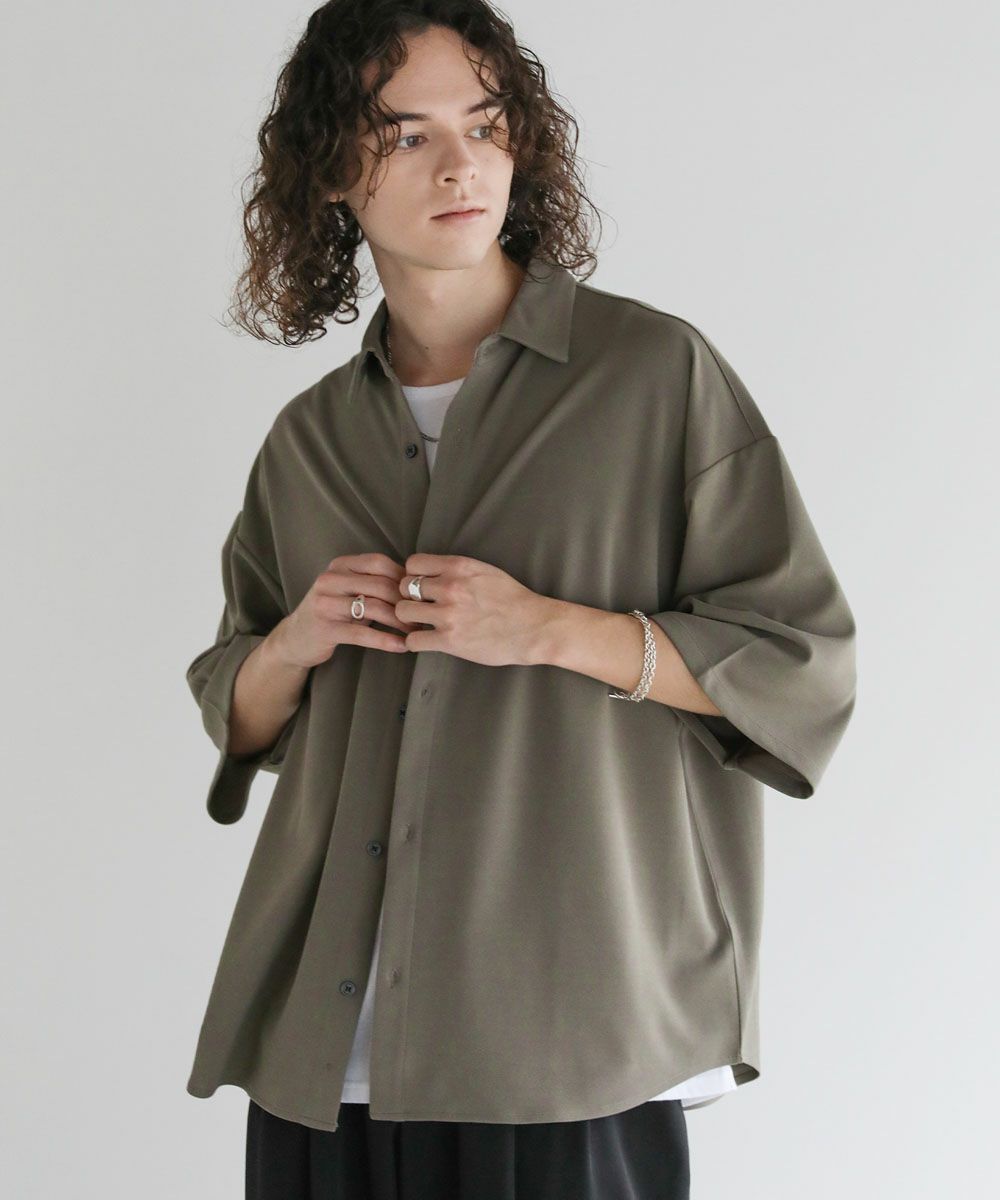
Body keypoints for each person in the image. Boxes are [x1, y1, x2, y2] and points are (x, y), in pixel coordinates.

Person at [183, 3, 858, 1198]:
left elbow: (798, 664)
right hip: (326, 1049)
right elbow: (239, 714)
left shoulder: (653, 376)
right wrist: (297, 639)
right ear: (330, 171)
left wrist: (549, 629)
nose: (461, 165)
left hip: (564, 1028)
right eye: (405, 135)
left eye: (485, 125)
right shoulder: (309, 439)